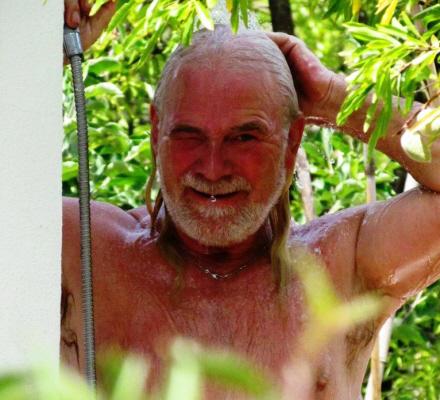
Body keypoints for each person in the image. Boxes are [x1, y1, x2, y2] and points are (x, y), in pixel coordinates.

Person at [61, 1, 440, 399]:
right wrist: (43, 55)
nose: (213, 168)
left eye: (244, 137)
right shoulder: (88, 252)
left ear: (291, 142)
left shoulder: (343, 265)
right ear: (157, 134)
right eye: (189, 135)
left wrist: (331, 97)